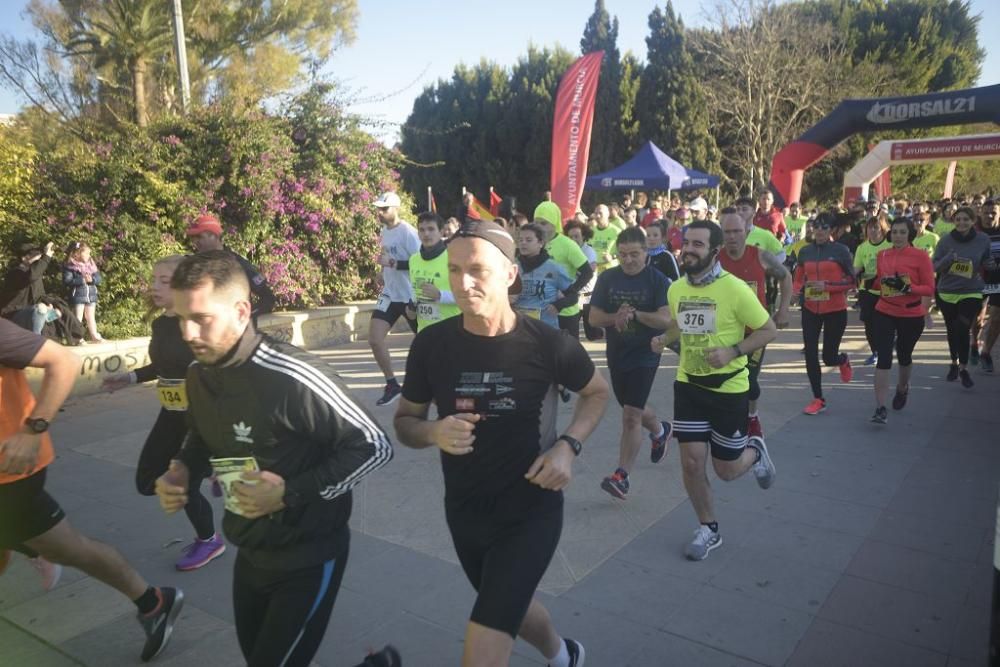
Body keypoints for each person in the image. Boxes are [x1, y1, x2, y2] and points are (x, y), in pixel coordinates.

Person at [155, 251, 396, 667]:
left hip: (309, 554)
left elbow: (374, 445)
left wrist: (290, 493)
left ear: (241, 310)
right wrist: (182, 469)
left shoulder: (292, 376)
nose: (189, 332)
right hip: (249, 549)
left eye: (201, 318)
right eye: (181, 318)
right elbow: (201, 437)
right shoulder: (199, 373)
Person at [394, 219, 608, 667]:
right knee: (507, 603)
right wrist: (433, 431)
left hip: (530, 509)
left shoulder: (549, 344)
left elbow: (596, 392)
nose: (463, 282)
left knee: (485, 636)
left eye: (478, 270)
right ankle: (563, 653)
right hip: (465, 511)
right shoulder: (431, 346)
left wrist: (568, 445)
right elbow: (405, 422)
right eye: (454, 270)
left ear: (511, 274)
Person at [0, 319, 184, 662]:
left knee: (69, 549)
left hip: (10, 473)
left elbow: (63, 360)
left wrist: (34, 430)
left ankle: (153, 601)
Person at [651, 220, 777, 561]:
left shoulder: (734, 289)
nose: (688, 249)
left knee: (727, 470)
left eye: (697, 244)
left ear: (714, 251)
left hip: (728, 390)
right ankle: (709, 528)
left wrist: (733, 351)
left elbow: (768, 329)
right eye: (686, 242)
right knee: (692, 464)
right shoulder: (677, 289)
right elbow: (680, 324)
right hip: (689, 386)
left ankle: (755, 450)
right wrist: (665, 338)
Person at [102, 255, 223, 571]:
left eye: (164, 281)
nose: (155, 287)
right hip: (171, 414)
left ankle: (209, 540)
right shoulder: (162, 323)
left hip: (200, 421)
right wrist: (130, 377)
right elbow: (164, 365)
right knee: (146, 482)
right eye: (154, 279)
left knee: (185, 486)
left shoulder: (202, 325)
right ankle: (214, 468)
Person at [588, 226, 673, 499]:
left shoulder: (658, 280)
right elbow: (593, 318)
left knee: (630, 416)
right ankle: (660, 430)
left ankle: (621, 476)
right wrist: (616, 318)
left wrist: (635, 315)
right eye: (623, 255)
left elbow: (665, 319)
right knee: (630, 407)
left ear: (646, 253)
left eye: (634, 254)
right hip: (617, 353)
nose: (628, 260)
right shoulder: (608, 278)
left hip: (646, 353)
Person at [718, 209, 792, 439]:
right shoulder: (715, 259)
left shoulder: (760, 255)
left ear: (746, 232)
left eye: (737, 231)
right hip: (726, 331)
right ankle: (732, 420)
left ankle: (751, 419)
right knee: (728, 379)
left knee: (749, 380)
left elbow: (785, 276)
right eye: (727, 232)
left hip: (757, 331)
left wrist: (783, 310)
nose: (732, 236)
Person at [869, 218, 935, 424]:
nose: (897, 236)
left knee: (904, 355)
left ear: (909, 235)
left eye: (902, 232)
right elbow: (880, 282)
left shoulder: (921, 256)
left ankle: (902, 388)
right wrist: (870, 283)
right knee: (884, 358)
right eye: (895, 232)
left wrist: (908, 288)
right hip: (884, 310)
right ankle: (880, 407)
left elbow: (929, 288)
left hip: (911, 313)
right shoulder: (882, 254)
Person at [793, 213, 856, 415]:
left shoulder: (841, 251)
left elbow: (852, 282)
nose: (819, 231)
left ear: (832, 231)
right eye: (816, 227)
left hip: (835, 310)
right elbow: (798, 277)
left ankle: (842, 360)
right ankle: (818, 398)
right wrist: (795, 292)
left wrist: (827, 287)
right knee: (810, 354)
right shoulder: (805, 251)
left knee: (828, 357)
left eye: (824, 227)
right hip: (810, 309)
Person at [933, 206, 993, 388]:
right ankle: (953, 363)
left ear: (973, 221)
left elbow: (986, 261)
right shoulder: (945, 240)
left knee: (962, 326)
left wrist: (989, 264)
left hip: (971, 290)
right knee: (952, 329)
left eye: (965, 219)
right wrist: (947, 260)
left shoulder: (983, 239)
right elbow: (934, 267)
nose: (961, 223)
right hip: (947, 291)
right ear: (953, 221)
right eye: (958, 219)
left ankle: (964, 368)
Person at [369, 192, 420, 406]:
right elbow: (387, 257)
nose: (380, 213)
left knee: (429, 344)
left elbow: (420, 262)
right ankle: (392, 384)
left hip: (410, 296)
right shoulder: (384, 231)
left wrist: (394, 264)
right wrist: (382, 272)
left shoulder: (408, 232)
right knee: (374, 339)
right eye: (379, 209)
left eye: (384, 209)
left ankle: (439, 384)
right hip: (390, 295)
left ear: (396, 208)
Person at [186, 213, 276, 318]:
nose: (195, 242)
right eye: (193, 238)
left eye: (199, 237)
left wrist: (247, 317)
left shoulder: (238, 264)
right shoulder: (193, 265)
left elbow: (268, 298)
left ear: (214, 236)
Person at [532, 201, 594, 341]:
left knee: (568, 358)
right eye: (536, 222)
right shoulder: (534, 243)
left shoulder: (567, 244)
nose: (538, 227)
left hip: (565, 312)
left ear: (554, 224)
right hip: (540, 311)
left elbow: (587, 272)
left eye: (544, 223)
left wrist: (568, 292)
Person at [406, 212, 461, 332]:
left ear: (441, 232)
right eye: (422, 230)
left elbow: (465, 296)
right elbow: (414, 291)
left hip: (451, 330)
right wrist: (411, 307)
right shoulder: (413, 259)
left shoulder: (454, 257)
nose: (426, 234)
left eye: (431, 229)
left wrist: (440, 295)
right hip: (424, 332)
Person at [513, 223, 574, 329]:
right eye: (520, 240)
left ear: (540, 243)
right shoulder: (512, 267)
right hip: (519, 328)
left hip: (545, 329)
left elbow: (573, 296)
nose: (523, 243)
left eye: (528, 240)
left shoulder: (554, 268)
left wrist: (558, 305)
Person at [854, 216, 892, 366]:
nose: (873, 230)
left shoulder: (890, 245)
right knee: (869, 323)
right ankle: (875, 352)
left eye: (876, 227)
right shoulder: (862, 247)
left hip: (887, 289)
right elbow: (856, 268)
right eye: (870, 228)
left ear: (882, 229)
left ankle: (886, 347)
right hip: (867, 290)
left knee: (884, 323)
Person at [0, 242, 59, 334]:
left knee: (57, 311)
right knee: (40, 309)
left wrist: (48, 305)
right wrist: (46, 257)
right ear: (24, 258)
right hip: (13, 315)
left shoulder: (34, 275)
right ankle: (35, 342)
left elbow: (38, 295)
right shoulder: (15, 273)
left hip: (30, 312)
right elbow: (31, 276)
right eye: (36, 255)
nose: (39, 258)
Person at [564, 219, 603, 341]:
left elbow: (589, 270)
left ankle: (606, 332)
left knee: (591, 334)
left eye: (576, 236)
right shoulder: (567, 250)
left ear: (584, 236)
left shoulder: (588, 251)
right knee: (571, 330)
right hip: (574, 295)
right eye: (570, 237)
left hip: (588, 296)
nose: (573, 240)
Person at [63, 241, 104, 342]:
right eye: (86, 253)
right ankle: (77, 337)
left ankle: (94, 335)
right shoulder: (71, 267)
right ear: (77, 253)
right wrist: (82, 280)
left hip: (91, 295)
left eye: (89, 253)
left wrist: (93, 280)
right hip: (78, 295)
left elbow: (99, 278)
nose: (89, 255)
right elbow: (67, 281)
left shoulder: (91, 266)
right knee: (78, 318)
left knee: (91, 317)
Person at [977, 199, 1000, 373]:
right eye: (986, 212)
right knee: (978, 317)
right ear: (980, 213)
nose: (990, 216)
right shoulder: (974, 231)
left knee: (997, 319)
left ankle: (986, 352)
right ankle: (973, 342)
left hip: (998, 278)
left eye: (994, 212)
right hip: (980, 278)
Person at [590, 205, 620, 276]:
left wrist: (612, 257)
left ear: (608, 214)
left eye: (600, 213)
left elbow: (623, 252)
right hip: (594, 271)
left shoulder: (617, 231)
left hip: (610, 271)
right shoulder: (591, 231)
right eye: (596, 213)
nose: (597, 216)